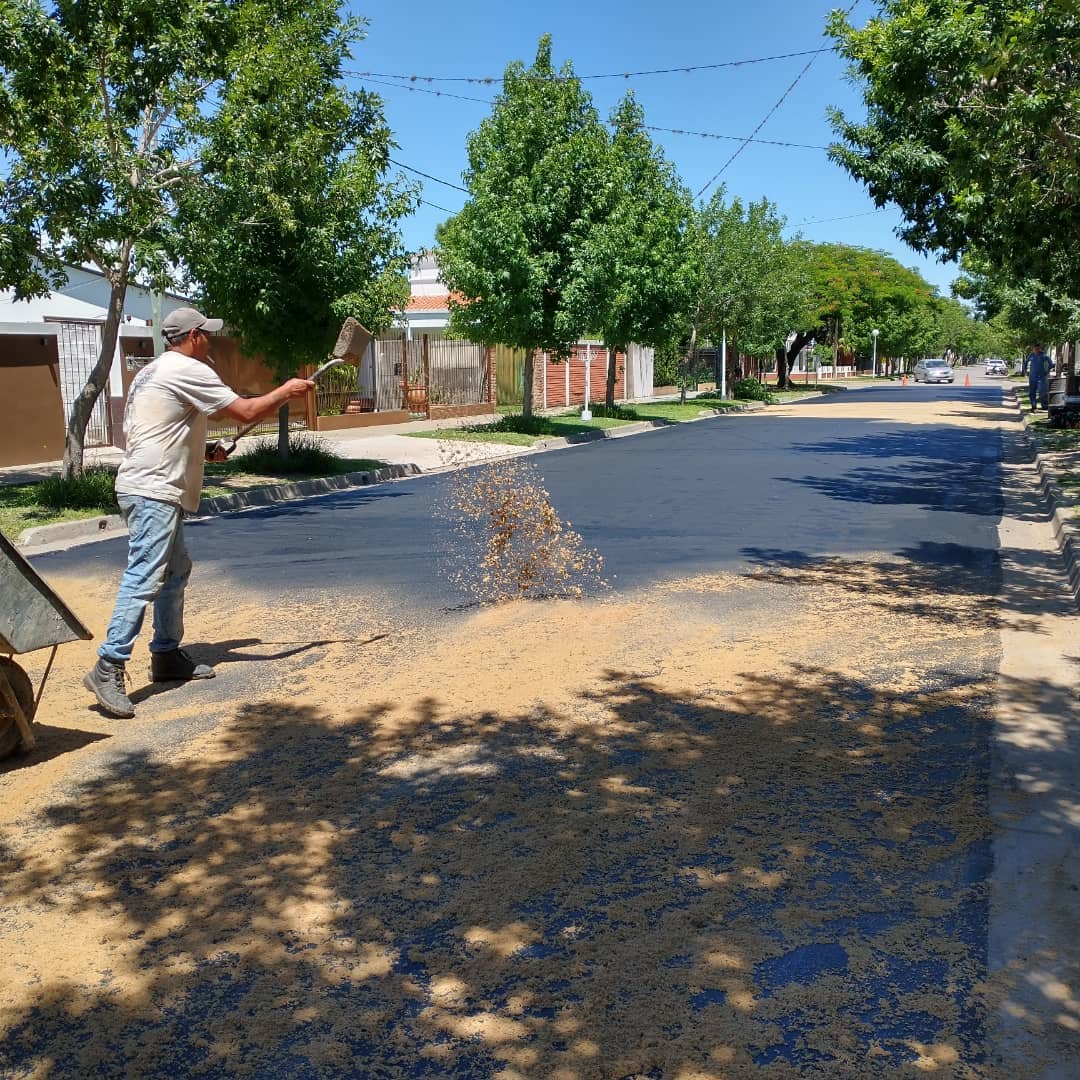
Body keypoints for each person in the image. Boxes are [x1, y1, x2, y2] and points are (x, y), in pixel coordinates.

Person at [84, 307, 313, 718]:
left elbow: (159, 429)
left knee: (174, 571)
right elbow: (244, 411)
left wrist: (205, 451)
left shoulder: (153, 373)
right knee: (145, 575)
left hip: (148, 485)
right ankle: (109, 665)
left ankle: (166, 655)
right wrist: (285, 391)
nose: (211, 341)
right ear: (192, 337)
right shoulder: (188, 369)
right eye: (207, 335)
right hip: (154, 490)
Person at [1026, 343, 1052, 411]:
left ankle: (1044, 406)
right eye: (1035, 349)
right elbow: (1025, 363)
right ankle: (1034, 407)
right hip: (1032, 377)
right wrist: (1025, 370)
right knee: (1032, 392)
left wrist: (1047, 371)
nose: (1036, 350)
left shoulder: (1044, 355)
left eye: (1037, 349)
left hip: (1041, 377)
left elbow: (1051, 364)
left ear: (1039, 348)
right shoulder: (1031, 355)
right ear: (1033, 349)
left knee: (1042, 392)